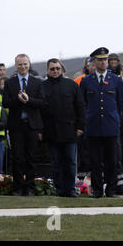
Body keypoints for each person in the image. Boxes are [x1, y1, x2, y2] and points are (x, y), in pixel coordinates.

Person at [80, 47, 123, 198]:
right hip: (93, 126)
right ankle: (98, 190)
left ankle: (111, 190)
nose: (103, 62)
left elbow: (119, 104)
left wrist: (115, 120)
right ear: (94, 62)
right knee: (95, 161)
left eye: (105, 59)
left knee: (112, 160)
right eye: (100, 60)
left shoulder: (116, 80)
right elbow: (83, 103)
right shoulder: (86, 81)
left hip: (110, 126)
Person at [41, 58, 85, 197]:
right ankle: (59, 190)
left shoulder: (71, 85)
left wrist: (80, 127)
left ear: (62, 69)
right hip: (51, 131)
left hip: (69, 130)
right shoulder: (42, 86)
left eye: (57, 68)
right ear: (48, 70)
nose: (55, 71)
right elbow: (39, 111)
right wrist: (40, 130)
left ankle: (70, 189)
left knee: (70, 162)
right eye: (52, 69)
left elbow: (80, 107)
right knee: (56, 163)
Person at [3, 54, 45, 196]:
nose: (23, 67)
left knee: (31, 158)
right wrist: (17, 99)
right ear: (16, 65)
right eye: (20, 64)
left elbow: (42, 103)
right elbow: (5, 103)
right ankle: (18, 187)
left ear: (29, 64)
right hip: (16, 126)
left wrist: (28, 100)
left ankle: (30, 187)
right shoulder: (10, 83)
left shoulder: (37, 82)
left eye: (25, 64)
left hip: (32, 126)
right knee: (17, 158)